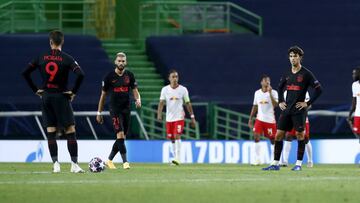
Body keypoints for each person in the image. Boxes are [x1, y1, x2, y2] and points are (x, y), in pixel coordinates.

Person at [22, 30, 85, 173]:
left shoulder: (41, 57)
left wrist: (35, 89)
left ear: (50, 42)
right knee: (70, 130)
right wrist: (73, 92)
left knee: (51, 131)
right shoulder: (67, 58)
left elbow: (24, 73)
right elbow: (81, 74)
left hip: (46, 97)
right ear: (62, 42)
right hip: (61, 96)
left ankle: (56, 164)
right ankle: (74, 165)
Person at [262, 46, 322, 171]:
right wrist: (281, 101)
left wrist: (308, 103)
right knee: (278, 135)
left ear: (300, 57)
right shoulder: (287, 73)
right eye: (291, 56)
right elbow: (279, 87)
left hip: (299, 110)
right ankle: (275, 163)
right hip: (287, 109)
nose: (292, 58)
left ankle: (298, 164)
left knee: (300, 135)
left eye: (295, 56)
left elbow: (319, 89)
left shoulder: (306, 73)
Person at [96, 52, 141, 170]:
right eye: (119, 61)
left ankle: (109, 160)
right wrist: (99, 112)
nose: (121, 63)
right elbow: (103, 96)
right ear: (115, 62)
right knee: (120, 134)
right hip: (115, 110)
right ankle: (125, 162)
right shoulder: (109, 77)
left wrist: (138, 99)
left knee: (122, 137)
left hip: (126, 109)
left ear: (126, 62)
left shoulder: (129, 75)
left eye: (123, 61)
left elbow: (135, 90)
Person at [157, 69, 196, 165]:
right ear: (169, 78)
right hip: (169, 118)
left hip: (179, 117)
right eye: (173, 77)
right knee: (171, 138)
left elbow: (188, 103)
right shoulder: (165, 90)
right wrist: (159, 114)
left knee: (177, 135)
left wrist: (192, 117)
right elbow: (161, 102)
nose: (175, 79)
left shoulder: (183, 89)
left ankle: (178, 158)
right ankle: (175, 158)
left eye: (176, 77)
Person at [248, 75, 278, 165]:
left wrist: (270, 94)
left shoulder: (274, 92)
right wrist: (250, 119)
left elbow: (275, 105)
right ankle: (257, 159)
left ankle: (275, 159)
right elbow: (255, 106)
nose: (267, 82)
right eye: (265, 80)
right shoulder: (257, 93)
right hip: (259, 119)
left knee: (273, 140)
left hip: (270, 120)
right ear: (261, 82)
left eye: (268, 81)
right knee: (256, 136)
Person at [280, 91, 313, 168]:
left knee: (306, 138)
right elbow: (284, 105)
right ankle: (285, 161)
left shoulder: (304, 91)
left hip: (301, 118)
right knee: (288, 136)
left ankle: (310, 160)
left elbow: (309, 105)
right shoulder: (286, 92)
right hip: (291, 118)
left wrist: (302, 109)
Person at [347, 68, 360, 143]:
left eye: (355, 73)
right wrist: (349, 115)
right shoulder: (354, 85)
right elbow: (354, 102)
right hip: (358, 115)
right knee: (357, 133)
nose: (353, 75)